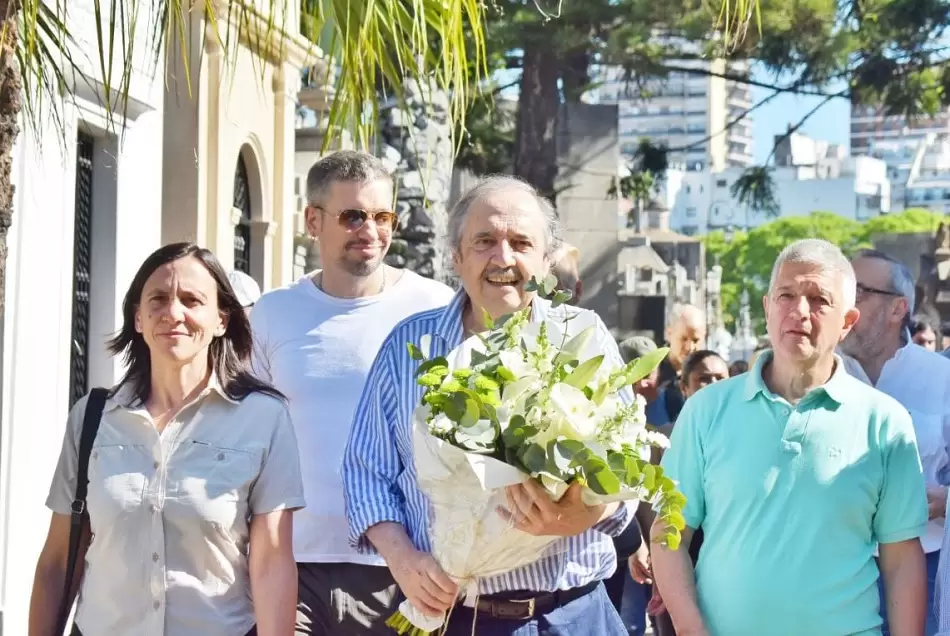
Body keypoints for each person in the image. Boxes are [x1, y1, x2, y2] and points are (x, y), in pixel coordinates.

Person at [342, 175, 636, 635]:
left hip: (574, 615)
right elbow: (366, 472)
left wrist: (583, 513)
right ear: (456, 257)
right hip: (454, 617)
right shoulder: (408, 347)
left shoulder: (582, 339)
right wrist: (403, 558)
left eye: (521, 242)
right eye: (484, 241)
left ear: (545, 260)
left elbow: (628, 470)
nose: (503, 258)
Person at [652, 238, 929, 636]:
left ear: (847, 322)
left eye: (819, 300)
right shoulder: (705, 411)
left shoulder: (885, 422)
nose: (799, 311)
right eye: (786, 295)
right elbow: (670, 533)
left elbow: (902, 558)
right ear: (767, 308)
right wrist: (691, 628)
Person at [29, 242, 304, 636]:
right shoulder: (92, 419)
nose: (173, 313)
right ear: (138, 318)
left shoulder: (264, 418)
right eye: (158, 299)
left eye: (192, 300)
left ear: (221, 320)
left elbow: (272, 562)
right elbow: (58, 561)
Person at [249, 151, 455, 635]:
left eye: (383, 216)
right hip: (293, 565)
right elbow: (249, 438)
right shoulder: (273, 313)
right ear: (313, 221)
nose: (371, 229)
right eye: (353, 215)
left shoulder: (436, 307)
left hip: (406, 568)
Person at [838, 249, 950, 636]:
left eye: (858, 293)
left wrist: (947, 501)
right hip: (837, 570)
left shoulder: (943, 378)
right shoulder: (817, 376)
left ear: (897, 308)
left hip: (929, 566)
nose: (842, 305)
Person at [648, 350, 729, 636]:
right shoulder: (662, 438)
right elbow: (651, 507)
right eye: (703, 379)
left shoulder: (741, 438)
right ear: (684, 387)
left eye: (720, 377)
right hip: (677, 554)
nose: (712, 384)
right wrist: (655, 563)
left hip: (722, 566)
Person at [654, 304, 706, 430]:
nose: (689, 347)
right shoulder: (652, 372)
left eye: (696, 340)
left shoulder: (710, 375)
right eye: (683, 339)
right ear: (669, 333)